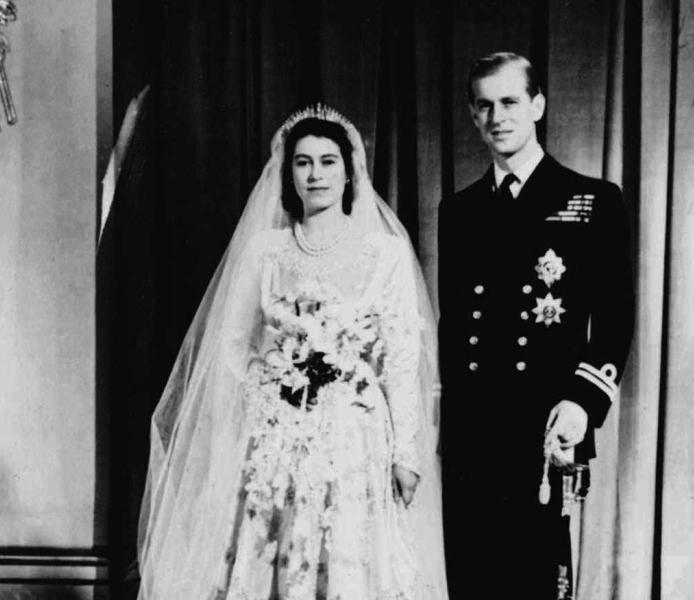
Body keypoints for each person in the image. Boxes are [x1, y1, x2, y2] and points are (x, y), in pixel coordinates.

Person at [136, 105, 448, 599]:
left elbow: (404, 360)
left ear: (350, 171)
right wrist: (263, 391)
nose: (316, 173)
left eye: (328, 161)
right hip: (277, 433)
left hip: (355, 435)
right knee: (271, 555)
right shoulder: (266, 249)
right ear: (289, 173)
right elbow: (232, 343)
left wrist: (404, 454)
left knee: (350, 558)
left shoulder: (383, 253)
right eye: (303, 162)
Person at [438, 52, 634, 598]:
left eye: (510, 102)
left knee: (533, 578)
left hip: (545, 422)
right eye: (484, 106)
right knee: (471, 577)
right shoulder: (458, 211)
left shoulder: (590, 200)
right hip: (472, 428)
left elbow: (616, 319)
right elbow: (452, 328)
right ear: (472, 116)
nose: (497, 117)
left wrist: (582, 403)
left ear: (537, 105)